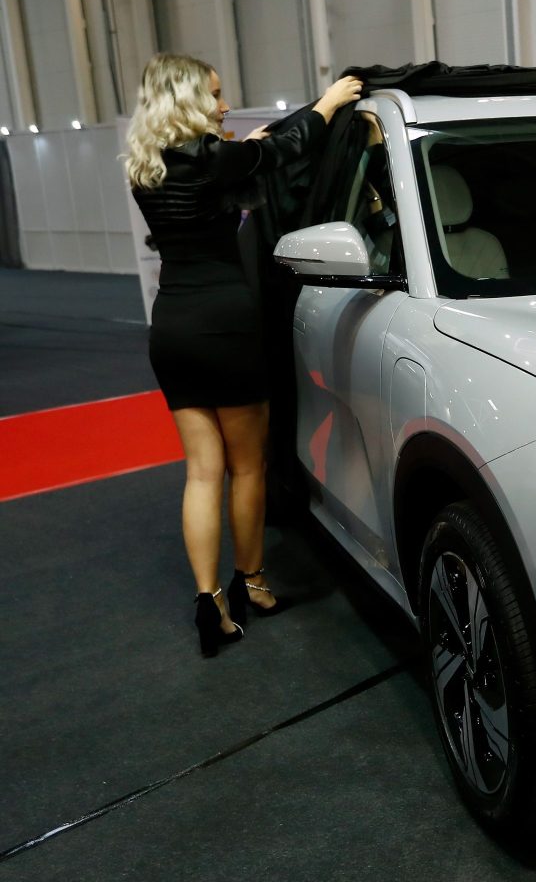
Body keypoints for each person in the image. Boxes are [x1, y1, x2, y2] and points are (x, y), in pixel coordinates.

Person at [123, 54, 361, 654]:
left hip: (171, 327)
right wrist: (329, 103)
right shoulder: (215, 160)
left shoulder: (146, 168)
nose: (224, 105)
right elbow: (286, 149)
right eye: (214, 94)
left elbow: (232, 161)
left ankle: (209, 602)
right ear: (187, 99)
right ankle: (252, 583)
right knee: (247, 467)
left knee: (201, 471)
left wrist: (245, 148)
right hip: (226, 325)